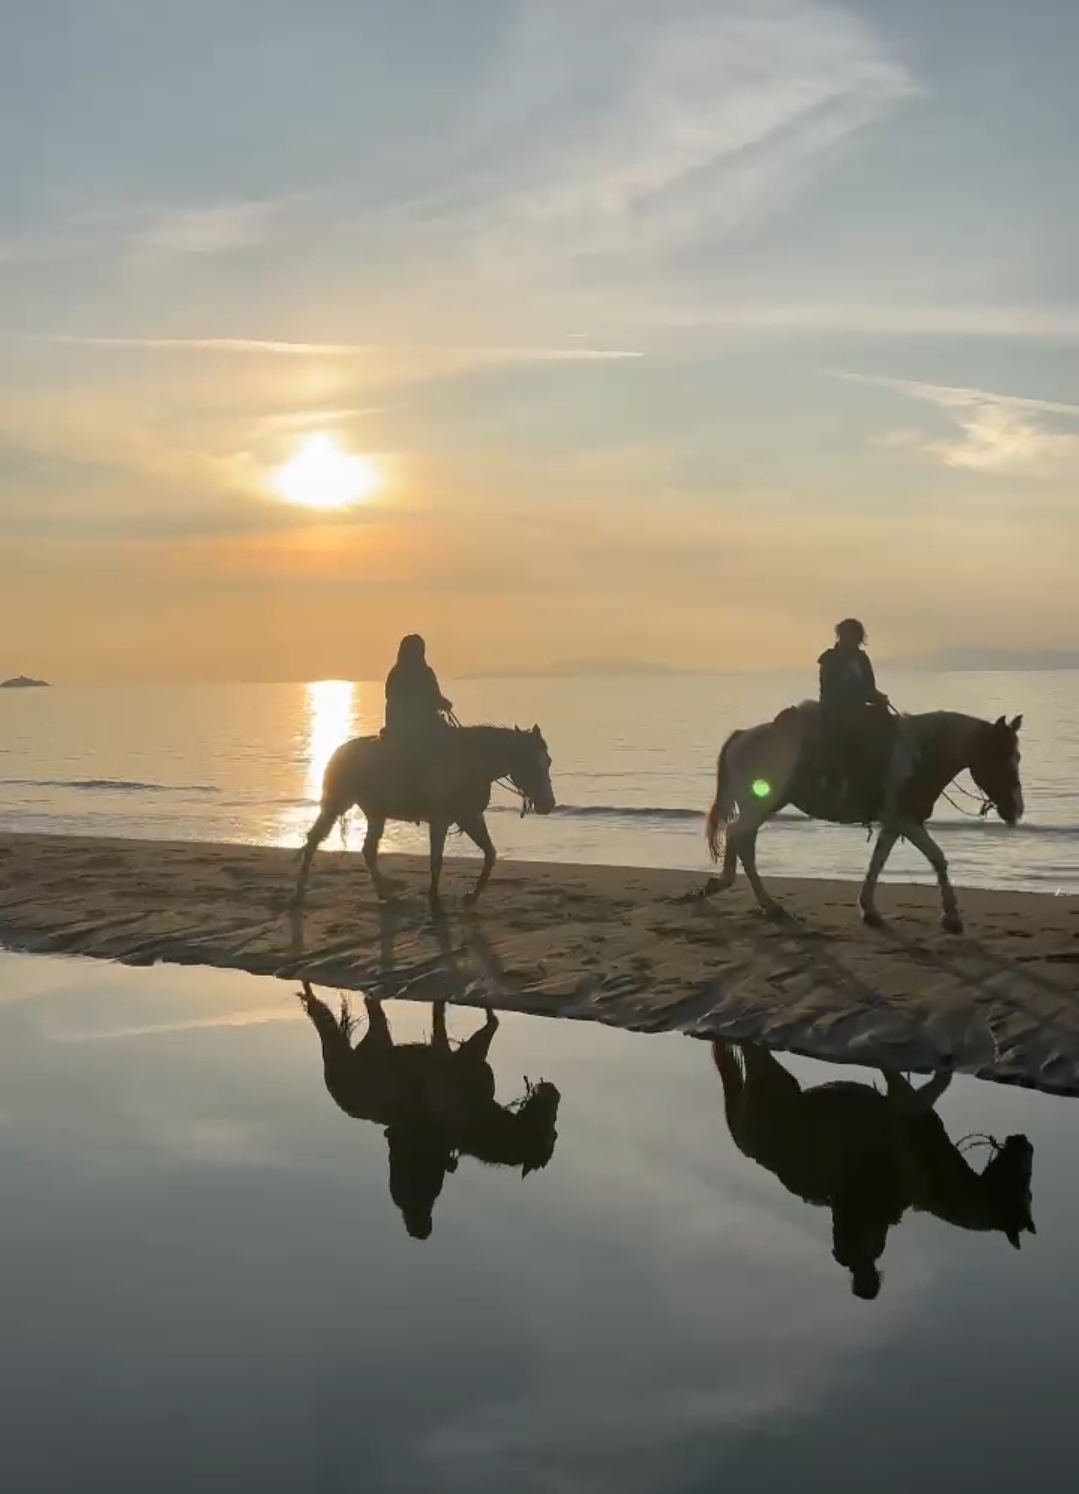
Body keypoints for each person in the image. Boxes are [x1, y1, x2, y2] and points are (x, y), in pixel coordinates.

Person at [817, 619, 893, 814]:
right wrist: (865, 696)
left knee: (889, 724)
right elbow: (829, 689)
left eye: (855, 637)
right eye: (847, 636)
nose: (851, 641)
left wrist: (878, 697)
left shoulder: (862, 659)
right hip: (834, 708)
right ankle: (839, 783)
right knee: (850, 735)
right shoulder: (829, 659)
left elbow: (869, 686)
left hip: (857, 706)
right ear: (840, 637)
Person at [383, 634, 454, 798]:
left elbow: (390, 697)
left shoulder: (395, 672)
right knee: (450, 743)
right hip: (419, 725)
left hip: (397, 724)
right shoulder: (424, 672)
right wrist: (446, 704)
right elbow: (434, 697)